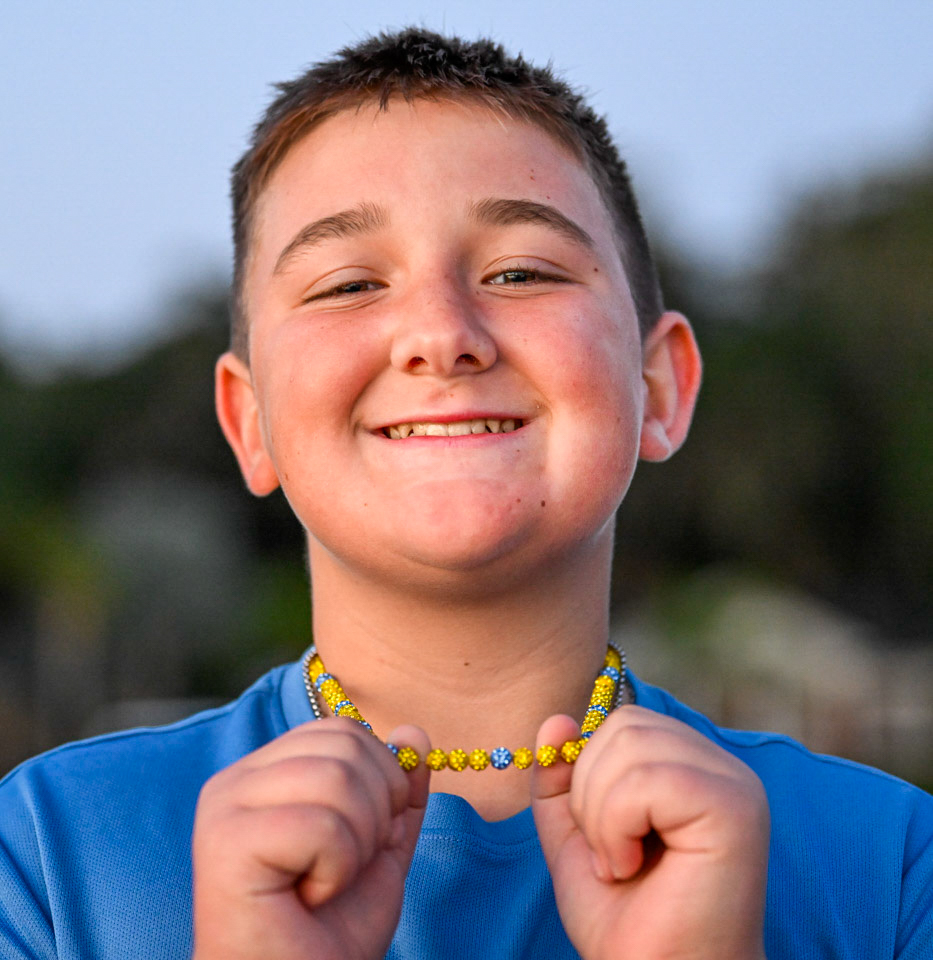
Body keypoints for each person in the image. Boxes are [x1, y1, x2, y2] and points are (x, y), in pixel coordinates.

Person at [0, 27, 930, 960]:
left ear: (658, 387)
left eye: (520, 273)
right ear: (251, 422)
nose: (441, 335)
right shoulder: (46, 853)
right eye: (348, 284)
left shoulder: (888, 864)